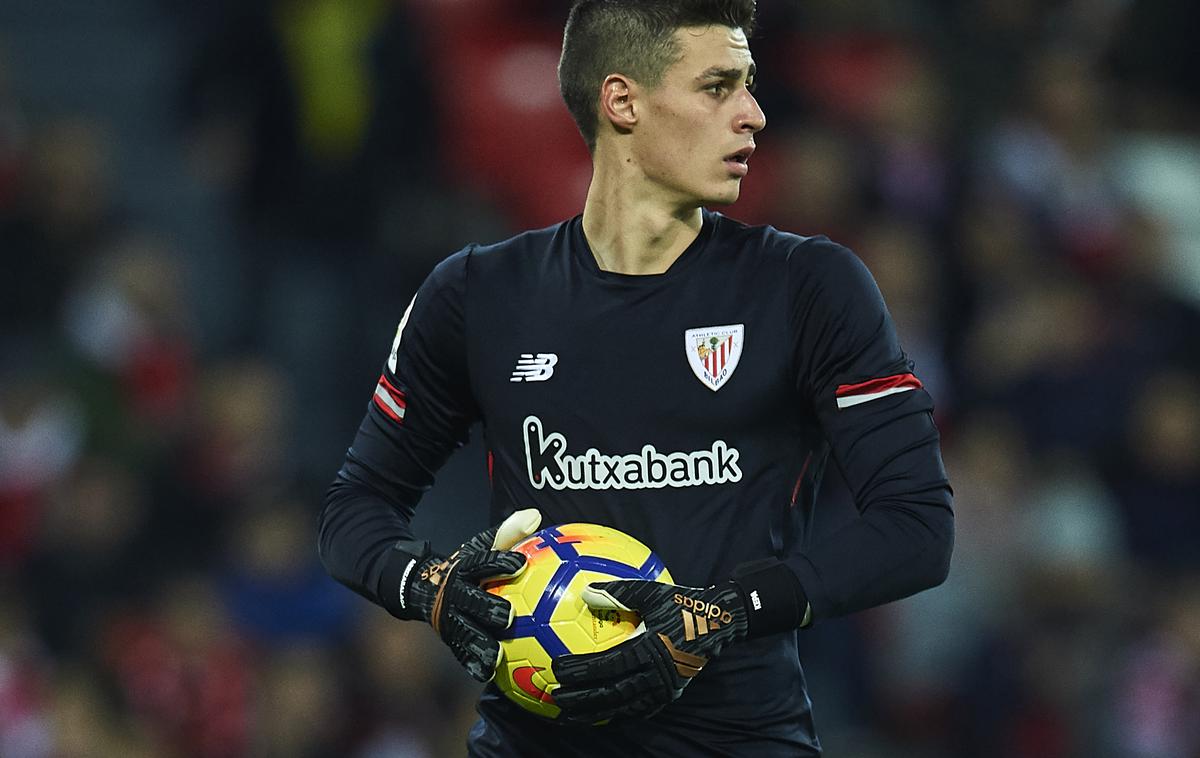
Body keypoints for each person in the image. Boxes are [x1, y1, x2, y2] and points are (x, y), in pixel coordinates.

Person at [318, 1, 954, 754]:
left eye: (749, 85)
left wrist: (724, 611)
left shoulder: (807, 286)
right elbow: (355, 507)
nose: (752, 114)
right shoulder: (476, 294)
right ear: (623, 101)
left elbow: (916, 526)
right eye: (718, 87)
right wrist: (428, 587)